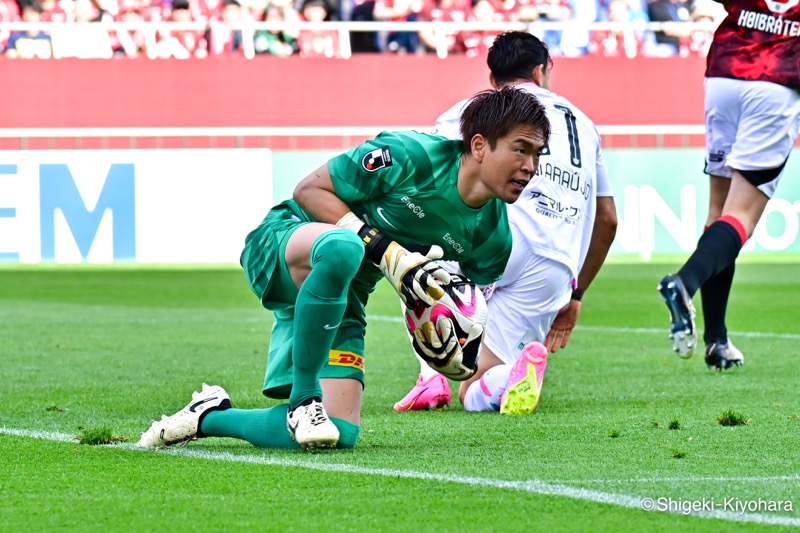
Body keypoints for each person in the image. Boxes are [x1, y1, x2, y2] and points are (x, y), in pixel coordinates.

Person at [136, 86, 551, 451]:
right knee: (344, 247)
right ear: (479, 146)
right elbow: (310, 190)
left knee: (336, 433)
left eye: (536, 154)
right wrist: (390, 254)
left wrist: (458, 360)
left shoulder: (493, 237)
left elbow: (466, 305)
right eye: (520, 149)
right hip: (287, 243)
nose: (530, 167)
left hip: (345, 295)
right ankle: (302, 401)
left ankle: (207, 416)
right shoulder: (410, 156)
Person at [394, 31, 617, 414]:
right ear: (541, 70)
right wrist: (575, 294)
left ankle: (428, 378)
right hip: (554, 262)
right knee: (474, 385)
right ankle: (505, 380)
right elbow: (608, 220)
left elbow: (429, 179)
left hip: (488, 236)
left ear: (492, 77)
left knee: (410, 255)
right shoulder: (585, 124)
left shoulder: (475, 111)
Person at [657, 0, 800, 371]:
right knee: (741, 217)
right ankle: (684, 284)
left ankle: (716, 340)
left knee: (718, 214)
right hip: (776, 83)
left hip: (724, 76)